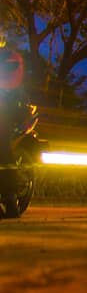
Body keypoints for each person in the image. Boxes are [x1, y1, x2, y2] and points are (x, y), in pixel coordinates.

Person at [0, 46, 25, 218]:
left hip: (7, 106)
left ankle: (10, 198)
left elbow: (14, 78)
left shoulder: (11, 56)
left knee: (2, 148)